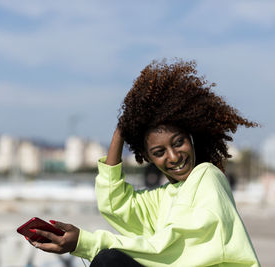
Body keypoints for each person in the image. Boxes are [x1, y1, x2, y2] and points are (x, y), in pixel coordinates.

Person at [27, 59, 261, 266]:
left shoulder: (208, 177)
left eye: (178, 142)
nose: (173, 156)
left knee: (109, 261)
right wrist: (123, 128)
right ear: (148, 158)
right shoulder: (164, 196)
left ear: (191, 137)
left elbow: (176, 247)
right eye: (159, 152)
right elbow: (115, 204)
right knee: (110, 260)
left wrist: (84, 242)